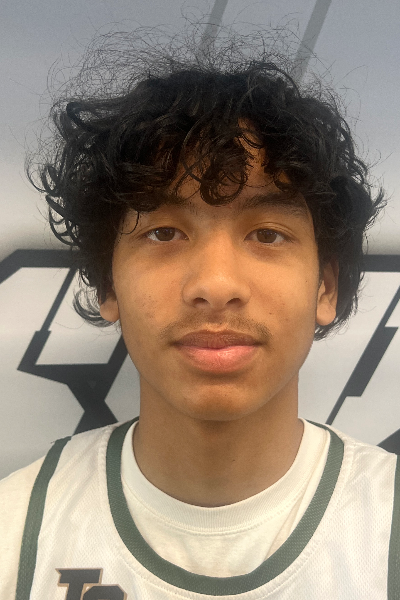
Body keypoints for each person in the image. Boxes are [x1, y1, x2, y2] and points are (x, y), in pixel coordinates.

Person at [0, 26, 397, 600]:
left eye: (267, 233)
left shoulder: (386, 526)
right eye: (164, 232)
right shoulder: (15, 535)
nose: (215, 285)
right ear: (108, 284)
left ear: (326, 287)